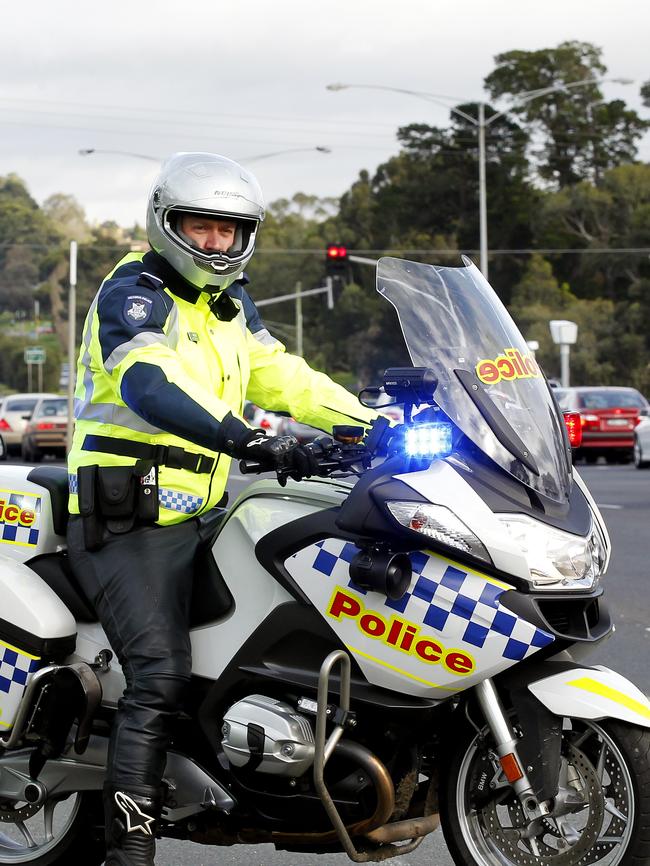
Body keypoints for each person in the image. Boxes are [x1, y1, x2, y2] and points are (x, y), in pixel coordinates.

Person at [66, 151, 377, 866]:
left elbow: (283, 375)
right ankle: (127, 850)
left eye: (229, 230)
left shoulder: (231, 304)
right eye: (200, 227)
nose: (215, 244)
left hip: (203, 511)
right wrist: (246, 437)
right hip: (129, 515)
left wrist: (366, 423)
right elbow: (152, 384)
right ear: (164, 223)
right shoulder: (135, 293)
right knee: (160, 672)